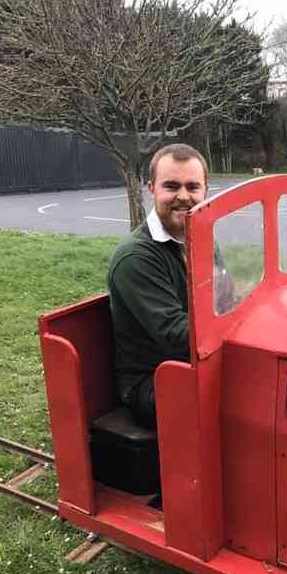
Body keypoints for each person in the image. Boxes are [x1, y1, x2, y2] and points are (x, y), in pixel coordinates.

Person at [107, 144, 209, 430]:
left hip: (191, 364)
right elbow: (177, 335)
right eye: (171, 186)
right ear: (151, 188)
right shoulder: (136, 257)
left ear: (205, 191)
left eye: (192, 186)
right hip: (151, 383)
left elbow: (224, 298)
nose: (183, 197)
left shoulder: (201, 240)